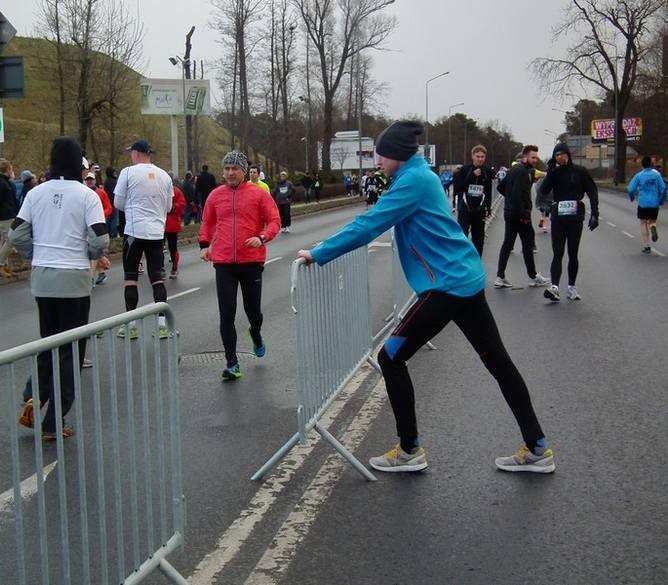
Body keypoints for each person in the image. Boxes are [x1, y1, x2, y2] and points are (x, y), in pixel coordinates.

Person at [296, 120, 555, 474]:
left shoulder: (413, 182)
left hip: (446, 286)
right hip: (464, 280)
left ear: (397, 155)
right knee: (499, 363)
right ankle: (538, 447)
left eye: (381, 156)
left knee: (391, 357)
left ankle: (409, 450)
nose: (378, 162)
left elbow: (369, 225)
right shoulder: (417, 176)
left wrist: (319, 252)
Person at [11, 137, 108, 440]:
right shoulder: (87, 195)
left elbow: (15, 235)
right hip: (74, 279)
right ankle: (54, 421)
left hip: (43, 278)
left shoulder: (35, 193)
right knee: (70, 352)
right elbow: (100, 240)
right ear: (78, 163)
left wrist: (34, 254)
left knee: (48, 342)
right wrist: (90, 255)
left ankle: (34, 393)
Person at [199, 151, 281, 380]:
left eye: (234, 169)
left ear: (244, 171)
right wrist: (204, 246)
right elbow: (207, 222)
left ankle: (255, 332)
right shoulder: (215, 195)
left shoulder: (258, 194)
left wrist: (262, 237)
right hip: (224, 262)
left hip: (251, 260)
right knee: (226, 313)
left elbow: (275, 221)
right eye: (226, 169)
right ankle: (232, 363)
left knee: (253, 311)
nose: (230, 173)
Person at [113, 139, 173, 340]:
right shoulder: (164, 175)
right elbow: (169, 207)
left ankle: (130, 325)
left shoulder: (128, 172)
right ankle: (162, 324)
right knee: (157, 277)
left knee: (131, 278)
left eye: (132, 152)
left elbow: (118, 203)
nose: (131, 155)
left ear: (137, 153)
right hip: (156, 232)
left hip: (134, 231)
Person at [538, 143, 599, 302]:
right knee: (557, 252)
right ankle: (555, 287)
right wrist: (550, 173)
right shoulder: (555, 173)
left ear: (568, 155)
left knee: (573, 253)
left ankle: (571, 288)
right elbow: (543, 191)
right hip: (559, 217)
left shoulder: (580, 172)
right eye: (556, 155)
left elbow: (592, 192)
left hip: (575, 218)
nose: (559, 157)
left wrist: (595, 214)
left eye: (562, 154)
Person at [493, 145, 550, 288]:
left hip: (509, 212)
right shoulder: (522, 172)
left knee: (507, 244)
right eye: (533, 157)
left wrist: (510, 200)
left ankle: (500, 277)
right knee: (527, 244)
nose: (535, 160)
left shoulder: (514, 170)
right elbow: (518, 195)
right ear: (525, 157)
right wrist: (523, 214)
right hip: (519, 214)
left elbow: (500, 187)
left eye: (536, 157)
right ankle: (533, 276)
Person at [453, 145, 493, 257]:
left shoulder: (487, 172)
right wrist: (471, 176)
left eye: (482, 157)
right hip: (465, 208)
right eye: (478, 156)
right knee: (462, 237)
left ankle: (477, 262)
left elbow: (488, 191)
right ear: (472, 156)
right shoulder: (464, 170)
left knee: (479, 239)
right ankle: (461, 261)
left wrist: (488, 208)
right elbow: (458, 188)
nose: (480, 159)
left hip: (479, 209)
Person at [627, 155, 666, 255]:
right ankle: (653, 227)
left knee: (643, 223)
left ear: (642, 165)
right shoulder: (657, 175)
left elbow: (630, 189)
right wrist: (662, 199)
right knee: (652, 221)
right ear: (651, 164)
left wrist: (631, 197)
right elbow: (663, 188)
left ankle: (647, 246)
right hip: (654, 203)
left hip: (643, 203)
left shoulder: (639, 175)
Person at [84, 171, 112, 285]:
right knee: (92, 250)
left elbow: (109, 208)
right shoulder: (83, 193)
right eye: (87, 180)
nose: (89, 181)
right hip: (86, 225)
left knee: (93, 249)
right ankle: (101, 272)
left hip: (98, 226)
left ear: (95, 180)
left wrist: (100, 215)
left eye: (91, 179)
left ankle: (90, 278)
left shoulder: (101, 193)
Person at [0, 160, 18, 277]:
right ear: (7, 170)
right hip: (4, 216)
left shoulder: (6, 182)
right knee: (10, 240)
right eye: (11, 169)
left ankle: (5, 265)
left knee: (4, 241)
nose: (12, 171)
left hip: (9, 214)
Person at [165, 175, 186, 279]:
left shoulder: (176, 191)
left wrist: (173, 207)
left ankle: (174, 267)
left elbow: (182, 204)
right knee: (158, 248)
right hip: (160, 224)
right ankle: (160, 268)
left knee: (172, 248)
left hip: (171, 223)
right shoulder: (158, 190)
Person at [103, 166, 120, 237]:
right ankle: (112, 235)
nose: (115, 173)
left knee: (109, 221)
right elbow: (112, 192)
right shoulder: (112, 181)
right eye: (114, 172)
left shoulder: (107, 181)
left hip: (109, 204)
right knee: (113, 221)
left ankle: (108, 234)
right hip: (112, 204)